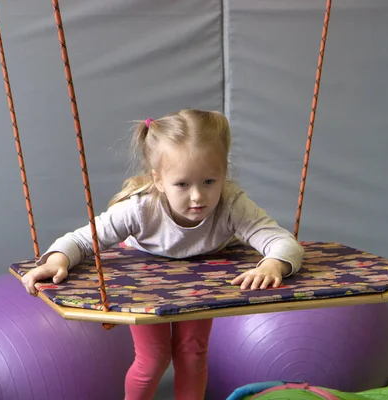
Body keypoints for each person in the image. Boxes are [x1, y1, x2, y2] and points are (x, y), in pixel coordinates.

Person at [20, 109, 304, 400]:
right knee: (153, 359)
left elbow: (284, 241)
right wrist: (57, 259)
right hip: (144, 284)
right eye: (182, 184)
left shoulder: (231, 203)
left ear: (223, 174)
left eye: (209, 181)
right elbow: (81, 240)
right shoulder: (140, 208)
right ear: (158, 180)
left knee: (193, 356)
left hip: (200, 282)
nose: (197, 196)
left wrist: (273, 264)